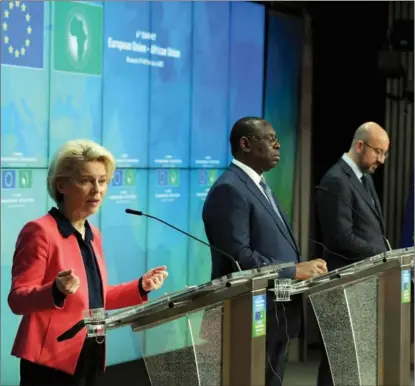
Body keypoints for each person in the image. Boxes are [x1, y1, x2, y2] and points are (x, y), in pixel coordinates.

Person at [8, 139, 169, 386]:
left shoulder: (93, 234)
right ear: (61, 185)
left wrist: (141, 286)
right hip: (50, 361)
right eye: (86, 180)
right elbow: (18, 300)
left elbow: (97, 297)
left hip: (90, 352)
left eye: (102, 181)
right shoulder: (40, 232)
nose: (97, 190)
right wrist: (55, 290)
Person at [202, 117, 328, 386]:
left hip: (274, 312)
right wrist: (293, 270)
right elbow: (238, 257)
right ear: (245, 144)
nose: (278, 145)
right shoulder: (229, 189)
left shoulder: (258, 185)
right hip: (247, 314)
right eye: (270, 139)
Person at [315, 122, 390, 386]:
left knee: (357, 361)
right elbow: (340, 237)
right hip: (344, 285)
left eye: (385, 153)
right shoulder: (336, 180)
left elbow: (371, 229)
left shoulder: (364, 178)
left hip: (365, 282)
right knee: (339, 360)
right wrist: (384, 253)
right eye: (378, 152)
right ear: (360, 145)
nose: (381, 160)